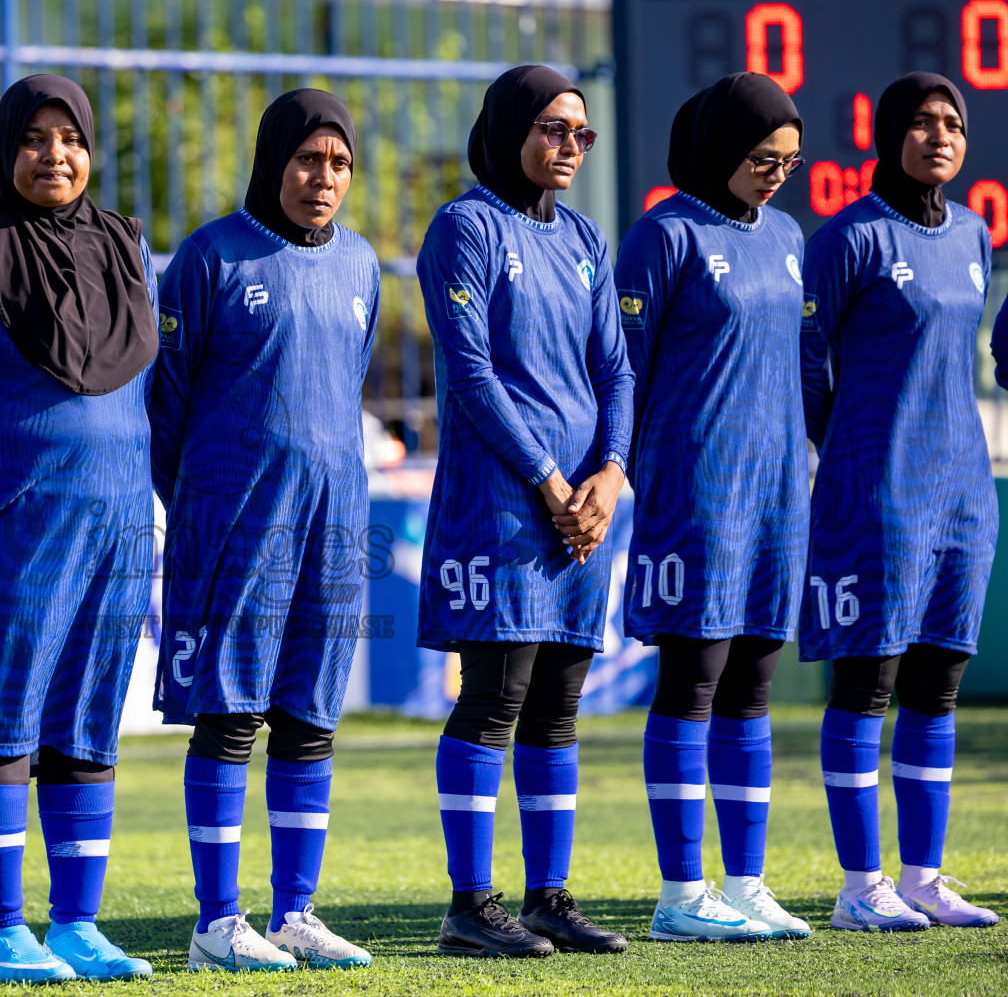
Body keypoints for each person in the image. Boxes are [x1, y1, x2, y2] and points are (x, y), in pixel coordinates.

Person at [0, 74, 157, 985]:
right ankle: (2, 929)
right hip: (9, 533)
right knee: (2, 721)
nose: (56, 155)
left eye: (71, 139)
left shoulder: (128, 248)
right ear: (8, 152)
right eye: (35, 139)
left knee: (86, 724)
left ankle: (78, 926)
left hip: (118, 532)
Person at [149, 88, 378, 973]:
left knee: (309, 719)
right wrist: (204, 505)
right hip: (234, 526)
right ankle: (217, 923)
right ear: (274, 159)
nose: (324, 179)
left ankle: (295, 914)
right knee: (230, 714)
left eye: (340, 164)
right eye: (309, 160)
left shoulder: (360, 263)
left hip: (333, 526)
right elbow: (165, 408)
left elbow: (342, 387)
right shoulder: (211, 257)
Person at [416, 65, 632, 958]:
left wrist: (610, 474)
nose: (569, 146)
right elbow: (469, 375)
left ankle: (549, 898)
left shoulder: (583, 236)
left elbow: (616, 369)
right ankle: (472, 906)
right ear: (508, 129)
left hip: (582, 508)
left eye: (580, 133)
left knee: (557, 710)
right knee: (494, 702)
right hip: (502, 509)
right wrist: (552, 480)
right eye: (551, 128)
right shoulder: (465, 227)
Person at [617, 72, 812, 943]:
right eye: (760, 158)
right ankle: (679, 892)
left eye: (789, 162)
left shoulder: (789, 235)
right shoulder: (664, 234)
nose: (775, 174)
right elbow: (620, 368)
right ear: (717, 149)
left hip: (777, 495)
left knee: (754, 687)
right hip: (696, 490)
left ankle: (746, 881)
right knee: (693, 680)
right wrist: (624, 468)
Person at [802, 71, 999, 932]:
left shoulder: (974, 233)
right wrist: (840, 449)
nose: (939, 135)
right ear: (888, 136)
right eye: (920, 123)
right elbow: (805, 355)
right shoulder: (849, 236)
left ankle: (922, 877)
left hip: (963, 498)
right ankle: (859, 885)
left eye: (952, 122)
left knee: (937, 689)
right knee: (866, 687)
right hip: (876, 495)